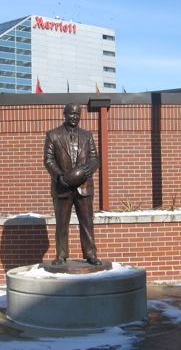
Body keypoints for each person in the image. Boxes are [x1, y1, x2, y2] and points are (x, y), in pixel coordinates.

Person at [44, 103, 101, 266]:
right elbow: (48, 160)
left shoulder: (87, 135)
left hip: (84, 187)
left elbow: (94, 159)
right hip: (62, 186)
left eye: (77, 114)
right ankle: (61, 255)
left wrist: (87, 170)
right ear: (64, 114)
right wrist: (59, 175)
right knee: (62, 223)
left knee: (87, 222)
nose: (75, 117)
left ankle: (90, 254)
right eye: (71, 114)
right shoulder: (53, 135)